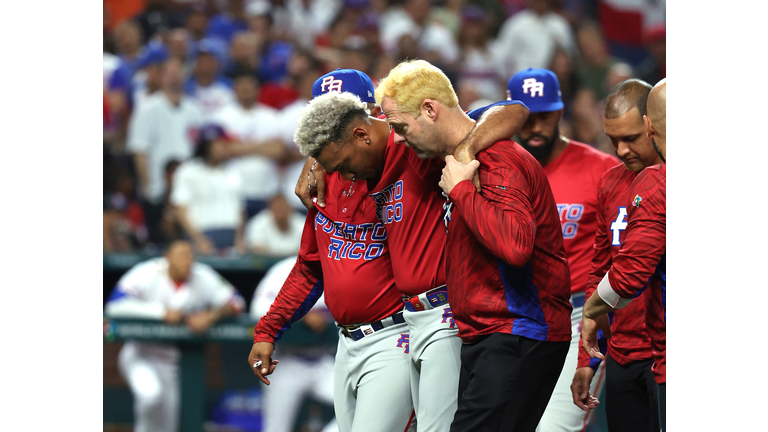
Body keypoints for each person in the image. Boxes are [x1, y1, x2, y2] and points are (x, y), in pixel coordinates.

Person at [290, 62, 531, 431]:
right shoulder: (344, 174)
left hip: (440, 314)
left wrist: (467, 148)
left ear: (368, 116)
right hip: (409, 321)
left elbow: (513, 111)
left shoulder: (413, 147)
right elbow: (309, 266)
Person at [375, 59, 571, 431]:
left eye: (401, 127)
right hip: (493, 331)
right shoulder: (462, 153)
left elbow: (515, 247)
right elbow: (506, 112)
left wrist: (463, 190)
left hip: (519, 329)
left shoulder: (496, 159)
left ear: (430, 110)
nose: (398, 138)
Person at [248, 71, 417, 432]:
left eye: (343, 112)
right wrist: (268, 330)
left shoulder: (409, 161)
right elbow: (310, 269)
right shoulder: (324, 183)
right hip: (344, 344)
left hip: (397, 335)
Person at [479, 67, 617, 432]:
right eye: (527, 117)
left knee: (553, 428)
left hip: (577, 316)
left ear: (560, 112)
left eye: (545, 115)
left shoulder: (601, 169)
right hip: (514, 316)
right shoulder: (490, 168)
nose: (535, 126)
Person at [571, 78, 662, 432]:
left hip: (663, 355)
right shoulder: (610, 183)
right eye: (613, 140)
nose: (621, 150)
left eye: (631, 139)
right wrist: (586, 360)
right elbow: (599, 271)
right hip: (623, 356)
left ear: (652, 125)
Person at [105, 240, 245, 432]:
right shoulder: (147, 272)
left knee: (167, 427)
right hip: (141, 353)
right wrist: (160, 312)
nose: (186, 261)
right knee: (150, 395)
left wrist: (211, 316)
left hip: (174, 363)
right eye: (180, 256)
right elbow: (114, 306)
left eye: (189, 256)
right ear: (167, 258)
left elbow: (237, 302)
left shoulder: (202, 275)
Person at [250, 256, 337, 432]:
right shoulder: (283, 270)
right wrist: (302, 315)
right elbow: (257, 310)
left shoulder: (341, 265)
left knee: (359, 405)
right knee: (276, 428)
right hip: (287, 361)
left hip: (323, 361)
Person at [126, 57, 204, 246]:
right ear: (160, 77)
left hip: (187, 187)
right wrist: (148, 185)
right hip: (158, 187)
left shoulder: (194, 110)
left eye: (178, 73)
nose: (174, 78)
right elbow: (139, 150)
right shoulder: (147, 109)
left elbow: (199, 150)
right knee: (159, 240)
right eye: (169, 73)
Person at [215, 70, 287, 219]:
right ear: (234, 90)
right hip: (234, 189)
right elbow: (223, 150)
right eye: (242, 87)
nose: (246, 91)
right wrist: (262, 146)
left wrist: (240, 146)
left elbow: (279, 150)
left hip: (267, 190)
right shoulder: (222, 117)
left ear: (257, 90)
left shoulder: (271, 116)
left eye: (249, 87)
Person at [170, 124, 247, 254]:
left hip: (231, 234)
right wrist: (198, 240)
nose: (225, 147)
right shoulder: (187, 171)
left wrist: (240, 238)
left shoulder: (233, 171)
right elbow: (180, 210)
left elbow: (240, 210)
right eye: (220, 144)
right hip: (203, 234)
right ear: (206, 146)